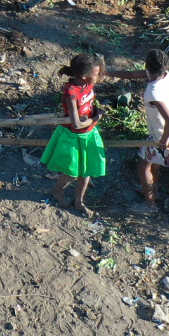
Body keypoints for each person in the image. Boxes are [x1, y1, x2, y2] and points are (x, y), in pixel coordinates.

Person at [107, 50, 169, 213]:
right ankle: (153, 192)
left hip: (166, 136)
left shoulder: (154, 93)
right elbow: (132, 74)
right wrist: (107, 72)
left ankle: (149, 204)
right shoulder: (165, 76)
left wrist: (162, 142)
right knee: (153, 162)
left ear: (147, 66)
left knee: (143, 165)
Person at [42, 54, 106, 217]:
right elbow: (76, 123)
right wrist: (95, 118)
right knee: (71, 172)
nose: (99, 77)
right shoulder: (71, 91)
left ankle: (79, 201)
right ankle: (58, 190)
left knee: (86, 171)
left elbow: (88, 105)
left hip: (88, 134)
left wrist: (93, 114)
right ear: (84, 76)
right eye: (96, 73)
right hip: (72, 135)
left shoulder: (89, 84)